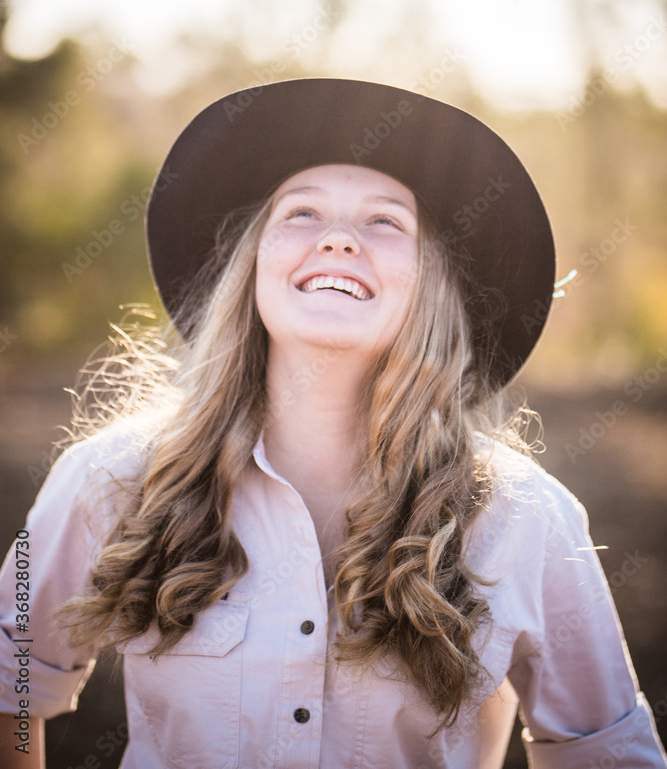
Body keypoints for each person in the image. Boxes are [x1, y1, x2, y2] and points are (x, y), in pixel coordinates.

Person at [0, 77, 664, 769]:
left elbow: (605, 751)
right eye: (301, 213)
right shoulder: (113, 476)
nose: (340, 240)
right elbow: (11, 682)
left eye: (384, 222)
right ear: (251, 264)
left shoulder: (526, 520)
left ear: (429, 285)